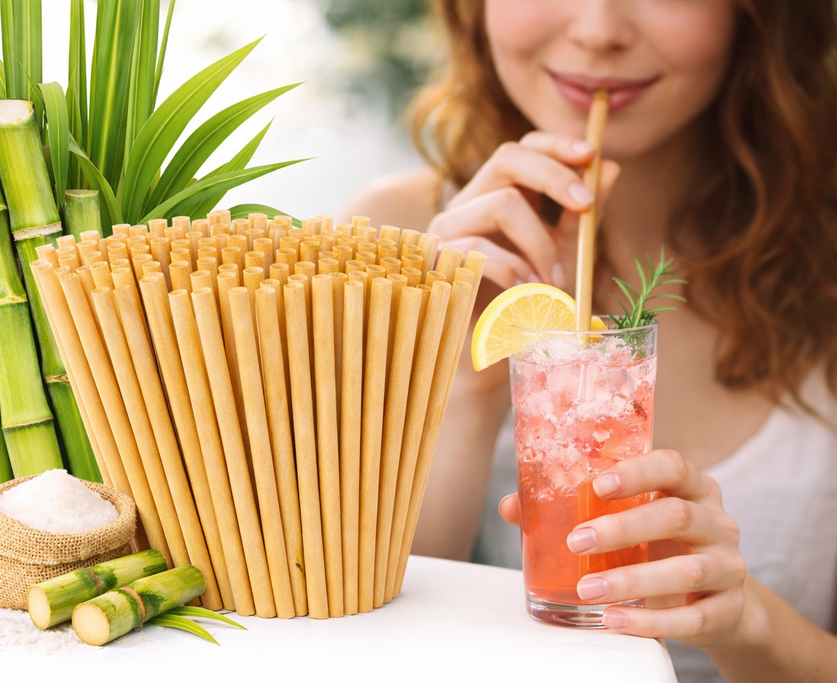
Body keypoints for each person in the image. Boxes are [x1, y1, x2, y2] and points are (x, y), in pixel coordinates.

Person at [347, 1, 837, 681]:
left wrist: (749, 622)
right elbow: (351, 642)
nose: (597, 30)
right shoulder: (386, 240)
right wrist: (464, 388)